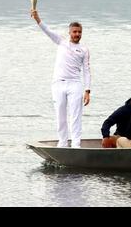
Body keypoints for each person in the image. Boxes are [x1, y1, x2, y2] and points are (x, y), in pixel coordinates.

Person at [31, 9, 91, 148]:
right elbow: (47, 30)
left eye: (79, 32)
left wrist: (87, 91)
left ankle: (76, 144)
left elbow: (87, 71)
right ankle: (62, 142)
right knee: (60, 114)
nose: (77, 34)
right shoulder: (61, 41)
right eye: (74, 32)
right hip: (58, 84)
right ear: (69, 32)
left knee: (75, 115)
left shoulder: (84, 49)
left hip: (75, 84)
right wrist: (37, 18)